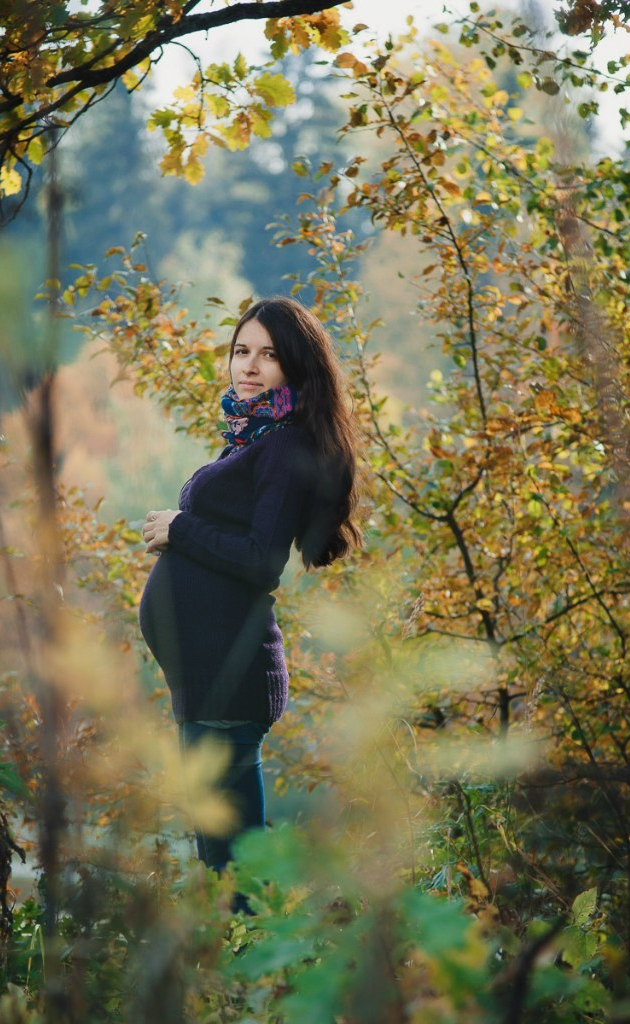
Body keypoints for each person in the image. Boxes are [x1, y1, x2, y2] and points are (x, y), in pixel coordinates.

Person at [139, 296, 361, 877]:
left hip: (229, 678)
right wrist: (182, 539)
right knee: (220, 863)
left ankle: (268, 940)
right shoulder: (255, 437)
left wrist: (181, 529)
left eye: (269, 355)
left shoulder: (284, 445)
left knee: (235, 869)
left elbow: (263, 561)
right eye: (242, 351)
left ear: (295, 366)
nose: (251, 366)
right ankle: (243, 940)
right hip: (208, 683)